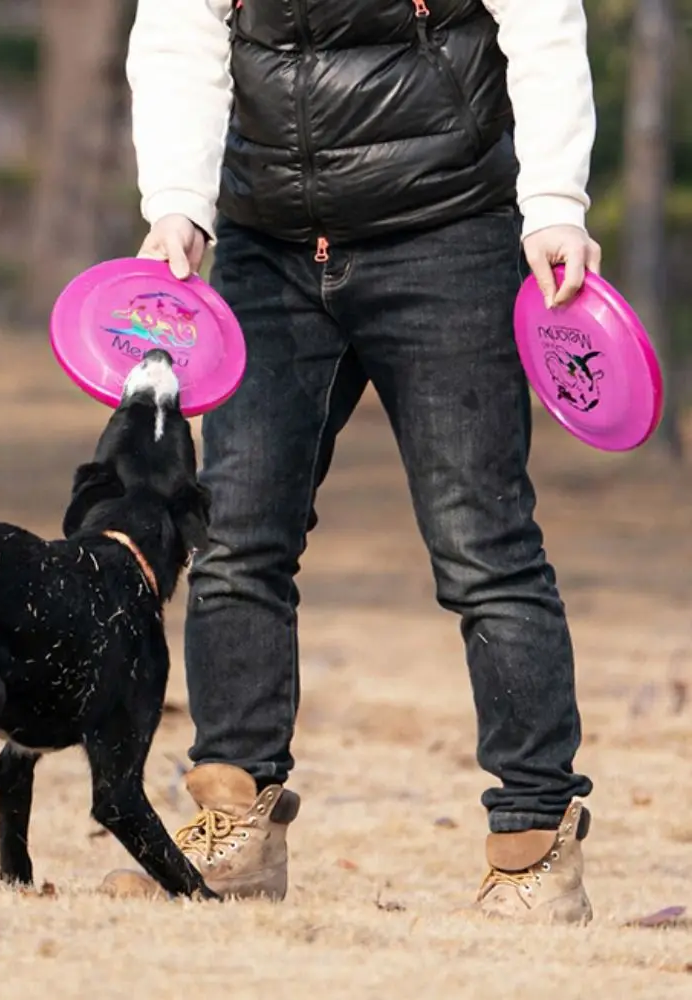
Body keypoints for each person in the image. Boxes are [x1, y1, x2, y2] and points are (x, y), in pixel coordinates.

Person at [102, 0, 600, 924]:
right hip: (266, 250)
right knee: (238, 537)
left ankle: (535, 847)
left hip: (448, 236)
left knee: (483, 550)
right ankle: (233, 826)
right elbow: (181, 34)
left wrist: (555, 204)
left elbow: (543, 25)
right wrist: (176, 204)